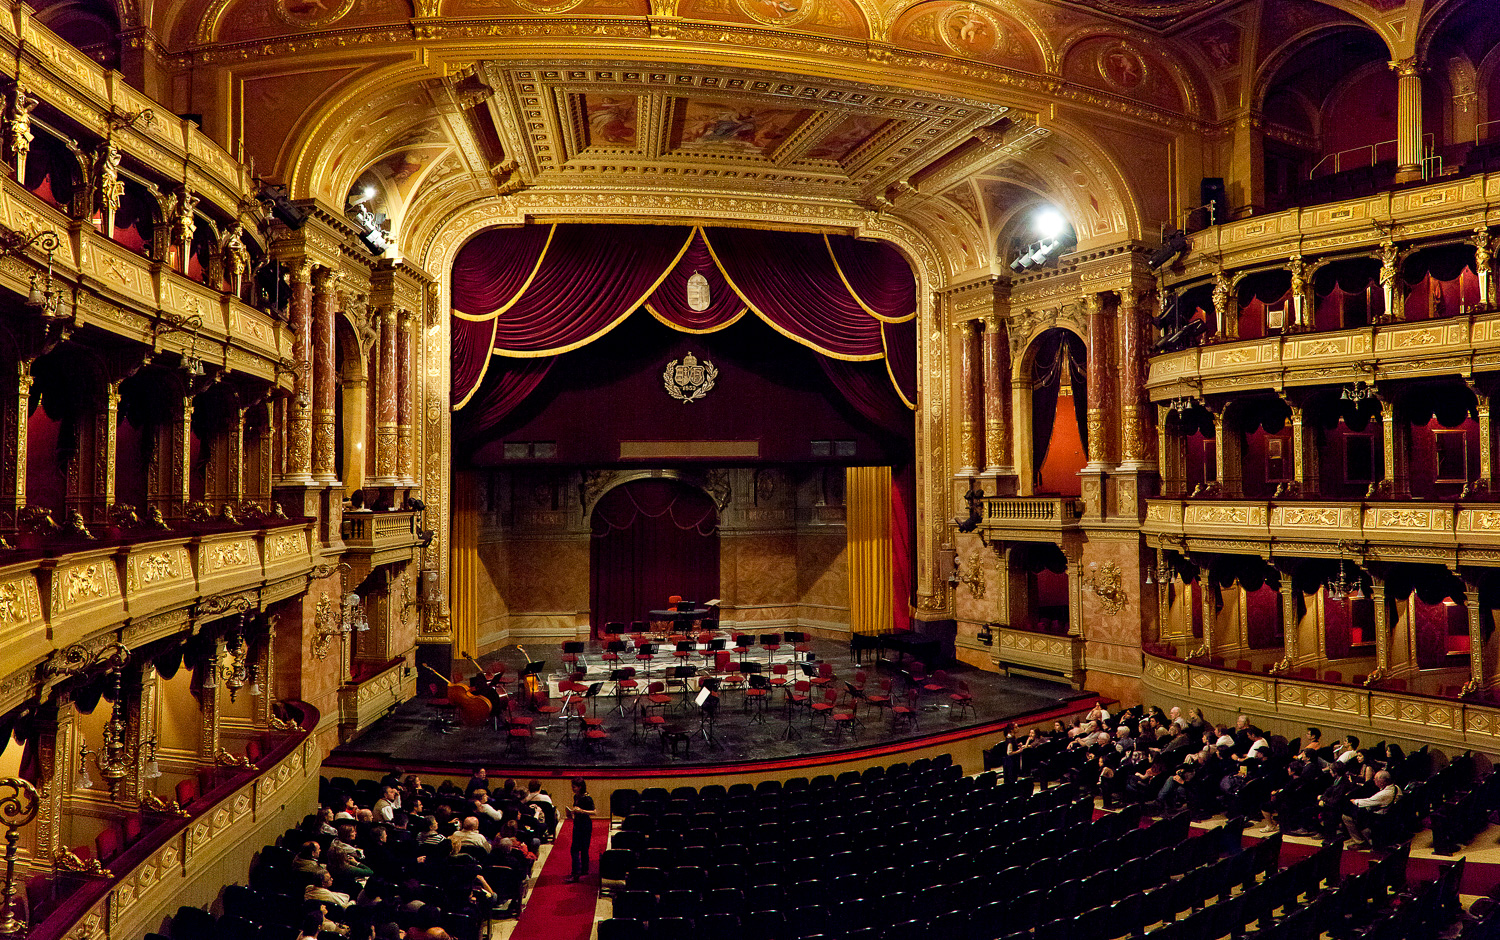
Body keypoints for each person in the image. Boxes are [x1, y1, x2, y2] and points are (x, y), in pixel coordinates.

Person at [565, 777, 595, 882]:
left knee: (580, 849)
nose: (572, 789)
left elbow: (594, 812)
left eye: (574, 787)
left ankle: (577, 872)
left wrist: (581, 811)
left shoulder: (587, 798)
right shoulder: (576, 797)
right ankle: (582, 870)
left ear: (580, 787)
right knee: (577, 848)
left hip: (585, 825)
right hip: (577, 823)